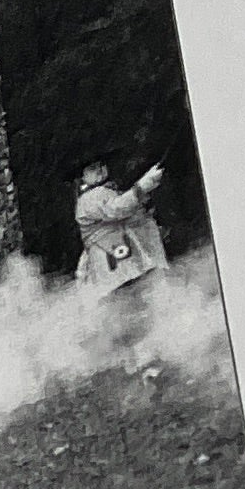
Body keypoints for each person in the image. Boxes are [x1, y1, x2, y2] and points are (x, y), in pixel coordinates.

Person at [74, 157, 172, 371]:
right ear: (83, 176)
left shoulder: (104, 192)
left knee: (137, 308)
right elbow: (117, 209)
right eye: (92, 168)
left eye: (101, 165)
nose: (100, 170)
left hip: (123, 263)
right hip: (114, 265)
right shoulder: (89, 198)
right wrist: (143, 185)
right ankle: (140, 366)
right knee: (129, 311)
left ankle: (143, 364)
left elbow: (128, 212)